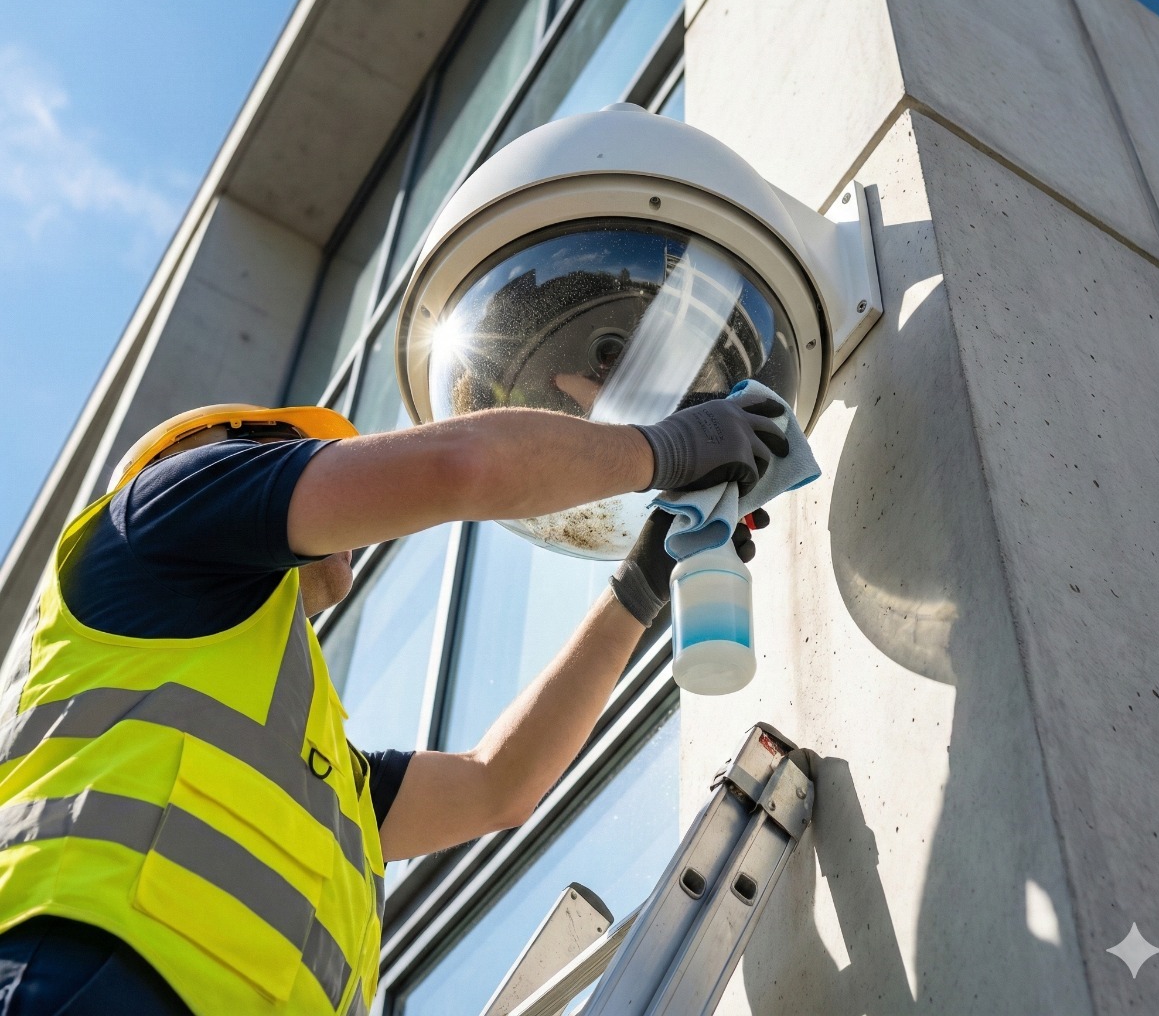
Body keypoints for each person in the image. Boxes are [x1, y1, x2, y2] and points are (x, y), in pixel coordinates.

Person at [0, 393, 786, 1015]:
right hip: (86, 979)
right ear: (214, 460)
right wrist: (666, 447)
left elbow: (497, 785)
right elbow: (460, 467)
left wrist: (641, 582)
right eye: (297, 452)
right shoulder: (159, 512)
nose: (328, 468)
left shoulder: (312, 763)